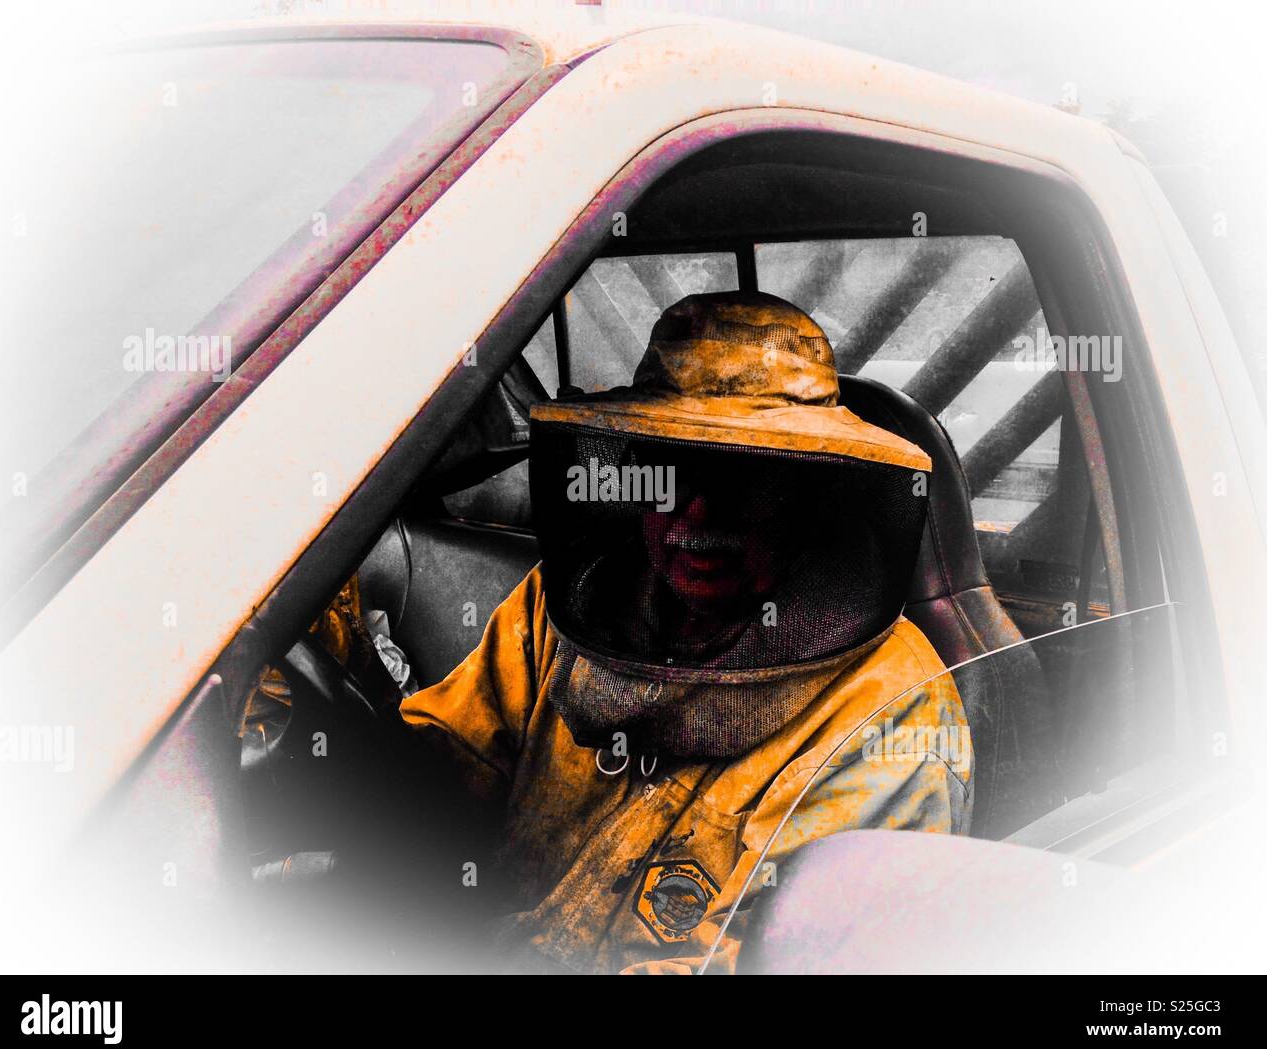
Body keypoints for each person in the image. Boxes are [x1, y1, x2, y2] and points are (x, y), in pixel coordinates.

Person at [399, 290, 972, 974]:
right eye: (669, 475)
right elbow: (438, 772)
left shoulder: (889, 715)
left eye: (747, 481)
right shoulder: (566, 610)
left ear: (811, 501)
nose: (696, 514)